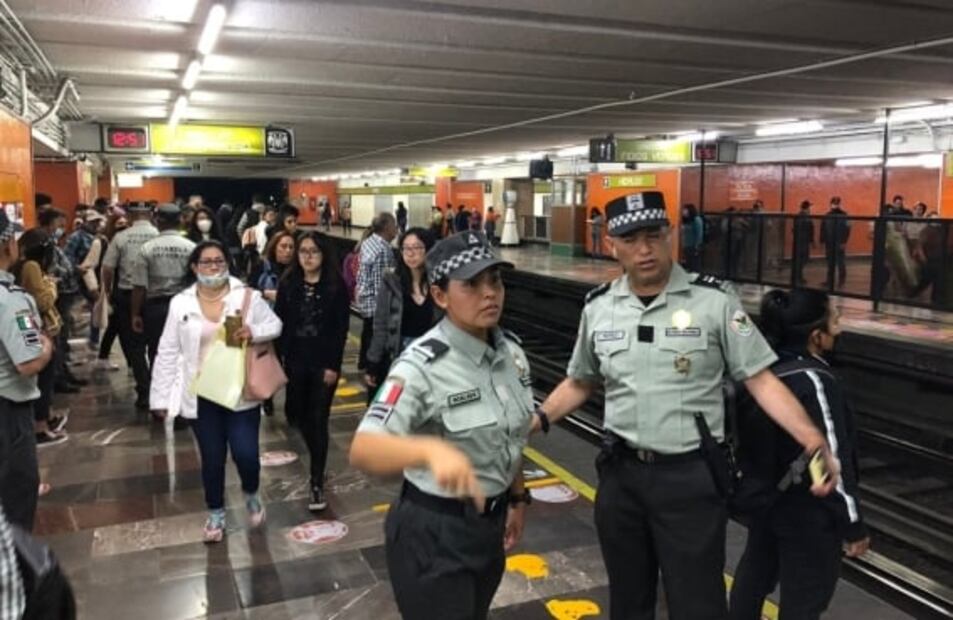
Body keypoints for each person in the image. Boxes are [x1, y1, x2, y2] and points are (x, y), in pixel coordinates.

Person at [532, 191, 838, 620]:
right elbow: (581, 381)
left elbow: (760, 379)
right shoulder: (599, 308)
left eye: (654, 235)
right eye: (631, 238)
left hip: (690, 479)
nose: (644, 248)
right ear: (610, 244)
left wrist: (811, 438)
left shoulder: (713, 302)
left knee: (697, 602)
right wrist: (537, 419)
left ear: (670, 235)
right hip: (621, 477)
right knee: (628, 599)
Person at [349, 230, 533, 620]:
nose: (490, 293)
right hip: (433, 533)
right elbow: (363, 448)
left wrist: (517, 497)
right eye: (471, 284)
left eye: (495, 280)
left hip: (489, 527)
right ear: (440, 296)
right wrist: (429, 450)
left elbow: (509, 433)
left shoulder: (511, 353)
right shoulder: (421, 366)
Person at [729, 289, 868, 620]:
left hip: (766, 500)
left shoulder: (764, 372)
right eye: (835, 321)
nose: (841, 328)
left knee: (752, 581)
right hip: (808, 512)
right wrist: (852, 523)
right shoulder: (814, 380)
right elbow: (827, 452)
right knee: (804, 601)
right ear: (816, 336)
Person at [149, 241, 282, 543]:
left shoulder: (246, 295)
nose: (213, 267)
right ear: (194, 267)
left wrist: (254, 331)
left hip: (239, 391)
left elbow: (275, 324)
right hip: (201, 394)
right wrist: (159, 398)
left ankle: (251, 491)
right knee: (212, 458)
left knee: (246, 454)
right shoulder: (180, 303)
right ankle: (216, 513)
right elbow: (168, 350)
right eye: (206, 262)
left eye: (219, 261)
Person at [274, 232, 350, 511]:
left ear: (323, 255)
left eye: (313, 252)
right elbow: (279, 323)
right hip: (294, 360)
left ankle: (316, 480)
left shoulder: (335, 286)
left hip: (323, 362)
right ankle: (315, 452)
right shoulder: (289, 283)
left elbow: (340, 329)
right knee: (297, 414)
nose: (307, 256)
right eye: (302, 251)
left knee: (318, 419)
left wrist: (333, 365)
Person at [0, 211, 54, 531]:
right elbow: (29, 361)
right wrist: (46, 346)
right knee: (16, 497)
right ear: (8, 245)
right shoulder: (12, 303)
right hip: (8, 414)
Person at [130, 203, 196, 397]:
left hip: (155, 308)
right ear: (180, 221)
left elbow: (139, 286)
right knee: (184, 354)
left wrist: (135, 313)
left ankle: (161, 400)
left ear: (157, 221)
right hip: (185, 306)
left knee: (158, 353)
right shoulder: (191, 247)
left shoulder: (147, 249)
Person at [101, 202, 158, 410]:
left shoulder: (121, 237)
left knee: (134, 346)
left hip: (127, 296)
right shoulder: (159, 236)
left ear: (131, 217)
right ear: (150, 215)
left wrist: (107, 292)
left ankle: (144, 391)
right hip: (154, 296)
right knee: (156, 345)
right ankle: (157, 388)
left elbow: (108, 268)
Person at [13, 230, 67, 447]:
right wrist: (52, 285)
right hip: (39, 330)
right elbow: (42, 302)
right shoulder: (30, 269)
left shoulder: (14, 279)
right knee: (44, 376)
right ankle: (40, 426)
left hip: (32, 329)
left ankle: (44, 420)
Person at [365, 228, 437, 390]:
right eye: (406, 248)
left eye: (417, 247)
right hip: (398, 355)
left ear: (429, 250)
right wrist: (373, 361)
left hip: (431, 358)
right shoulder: (391, 282)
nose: (410, 253)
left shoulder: (439, 284)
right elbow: (381, 325)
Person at [36, 209, 85, 394]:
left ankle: (63, 373)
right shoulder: (44, 244)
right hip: (57, 296)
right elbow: (52, 268)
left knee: (63, 338)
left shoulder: (54, 243)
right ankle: (58, 379)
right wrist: (72, 271)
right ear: (49, 224)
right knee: (58, 338)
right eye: (59, 225)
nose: (62, 229)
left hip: (64, 294)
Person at [357, 212, 398, 398]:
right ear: (387, 227)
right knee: (377, 342)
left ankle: (365, 364)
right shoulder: (384, 249)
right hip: (376, 304)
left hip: (364, 299)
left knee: (368, 337)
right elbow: (384, 281)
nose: (397, 229)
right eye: (395, 225)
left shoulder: (368, 242)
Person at [93, 214, 127, 372]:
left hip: (119, 288)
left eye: (125, 223)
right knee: (115, 326)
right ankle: (103, 357)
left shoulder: (120, 242)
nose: (122, 226)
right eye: (119, 223)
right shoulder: (105, 242)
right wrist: (104, 291)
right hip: (114, 289)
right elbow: (105, 268)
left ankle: (104, 357)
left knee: (116, 327)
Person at [820, 197, 850, 289]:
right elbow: (823, 229)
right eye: (834, 203)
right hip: (830, 242)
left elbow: (847, 229)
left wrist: (844, 242)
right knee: (830, 263)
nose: (835, 205)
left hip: (839, 242)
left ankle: (841, 281)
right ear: (831, 204)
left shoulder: (844, 215)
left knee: (840, 262)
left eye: (837, 203)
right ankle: (829, 281)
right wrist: (823, 240)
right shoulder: (827, 215)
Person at [793, 200, 815, 285]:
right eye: (809, 207)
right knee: (802, 259)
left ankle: (798, 276)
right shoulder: (803, 216)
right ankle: (798, 276)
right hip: (802, 241)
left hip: (802, 241)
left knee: (803, 259)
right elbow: (805, 229)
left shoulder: (803, 216)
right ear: (807, 208)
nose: (810, 209)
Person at [680, 203, 704, 272]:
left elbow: (699, 234)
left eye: (685, 210)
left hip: (693, 246)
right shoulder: (686, 220)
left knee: (695, 265)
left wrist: (697, 246)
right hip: (686, 246)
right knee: (688, 264)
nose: (683, 211)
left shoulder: (696, 219)